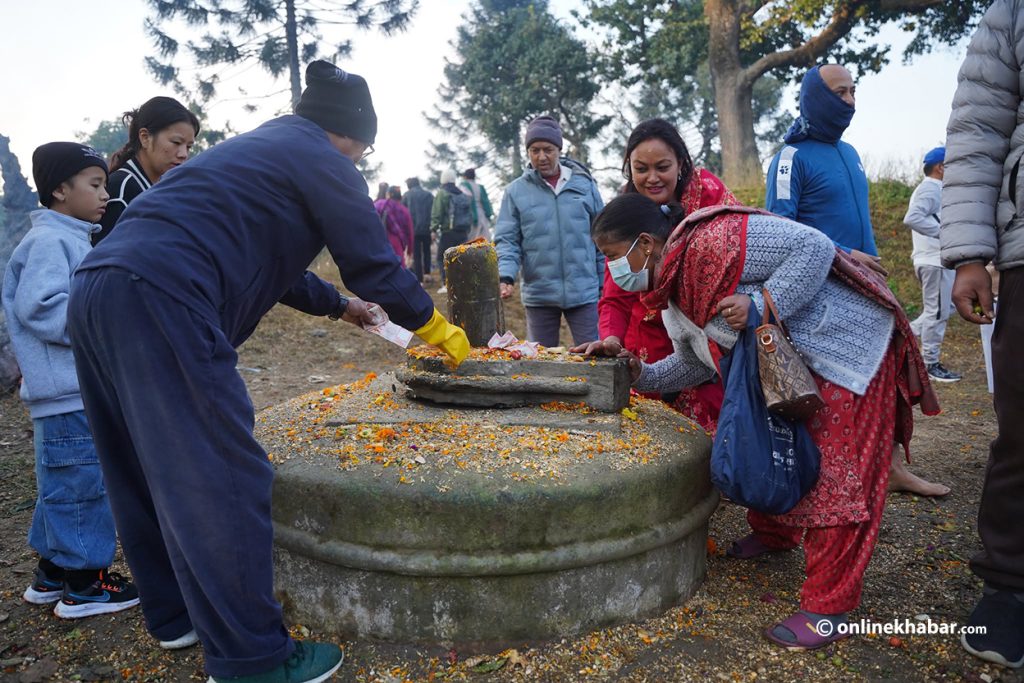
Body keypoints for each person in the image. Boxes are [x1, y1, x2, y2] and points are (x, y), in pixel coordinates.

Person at [67, 61, 469, 683]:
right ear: (350, 135)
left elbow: (260, 250)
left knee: (137, 461)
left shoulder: (257, 149)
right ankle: (253, 658)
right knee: (221, 470)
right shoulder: (322, 157)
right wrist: (437, 327)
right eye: (364, 147)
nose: (361, 160)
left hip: (98, 290)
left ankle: (176, 615)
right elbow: (374, 262)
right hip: (167, 296)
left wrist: (338, 305)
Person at [586, 192, 937, 650]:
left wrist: (760, 302)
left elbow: (812, 248)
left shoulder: (714, 239)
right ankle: (777, 534)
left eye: (613, 257)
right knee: (780, 445)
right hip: (792, 364)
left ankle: (828, 607)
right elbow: (694, 364)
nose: (612, 270)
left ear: (646, 243)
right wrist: (640, 371)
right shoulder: (673, 295)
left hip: (844, 346)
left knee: (836, 475)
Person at [766, 64, 949, 499]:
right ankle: (829, 478)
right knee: (837, 390)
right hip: (825, 292)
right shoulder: (790, 158)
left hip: (871, 287)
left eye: (853, 92)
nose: (849, 102)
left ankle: (891, 467)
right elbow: (779, 231)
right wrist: (845, 254)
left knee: (886, 379)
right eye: (838, 93)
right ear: (814, 96)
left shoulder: (849, 153)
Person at [2, 143, 140, 620]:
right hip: (66, 393)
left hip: (66, 392)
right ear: (60, 190)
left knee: (63, 486)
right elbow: (40, 307)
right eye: (95, 185)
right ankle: (85, 583)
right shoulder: (50, 242)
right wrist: (104, 322)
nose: (106, 195)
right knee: (83, 485)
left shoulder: (72, 237)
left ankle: (52, 572)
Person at [940, 0, 1024, 668]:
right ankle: (1010, 584)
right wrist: (970, 253)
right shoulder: (1010, 14)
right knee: (1023, 426)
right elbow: (979, 126)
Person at [575, 118, 737, 429]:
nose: (652, 178)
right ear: (628, 168)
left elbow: (747, 245)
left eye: (662, 167)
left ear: (680, 164)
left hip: (709, 341)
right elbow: (615, 297)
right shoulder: (624, 215)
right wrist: (611, 340)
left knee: (713, 441)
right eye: (641, 169)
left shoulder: (709, 197)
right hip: (647, 351)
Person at [494, 115, 605, 346]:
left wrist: (605, 281)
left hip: (584, 291)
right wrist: (506, 275)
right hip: (539, 293)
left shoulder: (584, 185)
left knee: (596, 357)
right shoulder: (515, 192)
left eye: (548, 149)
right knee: (542, 363)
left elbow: (603, 238)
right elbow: (507, 240)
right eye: (534, 150)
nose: (541, 157)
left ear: (559, 149)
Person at [93, 96, 199, 244]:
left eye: (188, 147)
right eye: (176, 142)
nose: (184, 154)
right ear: (145, 138)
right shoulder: (121, 190)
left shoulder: (161, 189)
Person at [904, 146, 961, 382]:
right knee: (937, 313)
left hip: (937, 260)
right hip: (933, 261)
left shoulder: (935, 189)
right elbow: (913, 218)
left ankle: (903, 332)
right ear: (941, 167)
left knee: (945, 308)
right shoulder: (930, 188)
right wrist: (945, 234)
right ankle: (930, 364)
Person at [431, 168, 473, 294]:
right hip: (463, 231)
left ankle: (447, 284)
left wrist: (433, 229)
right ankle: (463, 284)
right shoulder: (462, 193)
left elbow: (437, 212)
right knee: (461, 257)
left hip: (448, 231)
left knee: (442, 257)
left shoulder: (442, 193)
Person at [403, 176, 434, 283]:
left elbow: (403, 213)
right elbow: (433, 212)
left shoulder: (407, 195)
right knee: (427, 251)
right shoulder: (429, 195)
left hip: (413, 230)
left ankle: (419, 280)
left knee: (417, 254)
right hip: (427, 228)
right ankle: (427, 274)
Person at [374, 185, 414, 265]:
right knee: (398, 270)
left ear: (388, 194)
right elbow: (410, 232)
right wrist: (410, 250)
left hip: (379, 243)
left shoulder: (378, 205)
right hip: (397, 245)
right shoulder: (404, 210)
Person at [459, 167, 494, 241]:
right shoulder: (480, 187)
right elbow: (486, 202)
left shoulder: (463, 185)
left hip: (470, 215)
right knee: (484, 238)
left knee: (472, 239)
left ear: (465, 176)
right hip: (482, 214)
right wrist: (488, 214)